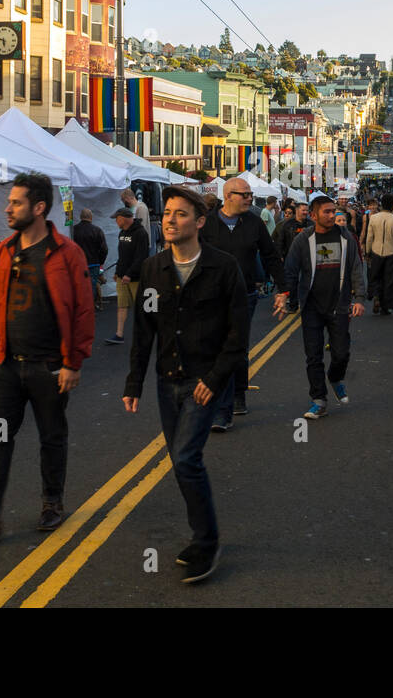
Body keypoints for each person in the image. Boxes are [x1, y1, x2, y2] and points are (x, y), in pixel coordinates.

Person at [0, 172, 94, 546]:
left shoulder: (67, 253)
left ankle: (51, 503)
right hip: (7, 366)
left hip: (49, 367)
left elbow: (83, 312)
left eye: (15, 203)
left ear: (39, 207)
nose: (8, 208)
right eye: (9, 202)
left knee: (51, 436)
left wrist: (73, 363)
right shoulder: (5, 250)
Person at [124, 185, 248, 583]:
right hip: (167, 380)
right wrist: (133, 383)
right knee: (181, 463)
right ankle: (203, 537)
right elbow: (144, 332)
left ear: (199, 222)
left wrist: (215, 380)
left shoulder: (223, 267)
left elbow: (237, 334)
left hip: (203, 382)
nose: (170, 220)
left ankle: (206, 542)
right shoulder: (153, 268)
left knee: (186, 460)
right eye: (167, 214)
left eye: (179, 214)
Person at [199, 176, 286, 430]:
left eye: (250, 194)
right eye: (244, 194)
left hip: (244, 295)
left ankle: (235, 397)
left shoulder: (254, 223)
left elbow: (270, 255)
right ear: (228, 196)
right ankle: (222, 407)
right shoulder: (207, 223)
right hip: (211, 297)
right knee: (218, 350)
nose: (250, 198)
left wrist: (284, 288)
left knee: (236, 350)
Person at [277, 194, 366, 419]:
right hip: (312, 307)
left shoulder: (346, 238)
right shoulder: (303, 239)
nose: (332, 215)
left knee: (341, 353)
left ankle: (335, 378)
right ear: (314, 216)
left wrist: (359, 299)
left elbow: (356, 267)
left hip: (339, 305)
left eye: (333, 211)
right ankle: (319, 399)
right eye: (326, 212)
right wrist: (285, 294)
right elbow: (290, 268)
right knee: (313, 356)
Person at [104, 207, 148, 345]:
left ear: (123, 218)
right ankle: (119, 334)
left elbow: (141, 257)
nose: (115, 221)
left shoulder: (141, 233)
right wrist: (118, 272)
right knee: (121, 305)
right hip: (122, 277)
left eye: (116, 219)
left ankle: (145, 334)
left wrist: (129, 274)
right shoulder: (122, 232)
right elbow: (122, 256)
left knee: (141, 307)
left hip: (136, 278)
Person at [361, 193, 393, 316]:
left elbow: (369, 238)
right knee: (389, 280)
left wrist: (368, 252)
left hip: (376, 251)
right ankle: (386, 306)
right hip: (392, 253)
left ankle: (377, 297)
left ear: (381, 204)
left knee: (376, 277)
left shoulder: (373, 218)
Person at [71, 207, 108, 312]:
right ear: (91, 217)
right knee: (92, 286)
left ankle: (79, 308)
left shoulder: (73, 230)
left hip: (78, 263)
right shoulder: (97, 230)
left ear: (80, 217)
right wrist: (100, 261)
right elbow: (104, 249)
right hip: (93, 263)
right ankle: (89, 309)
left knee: (78, 286)